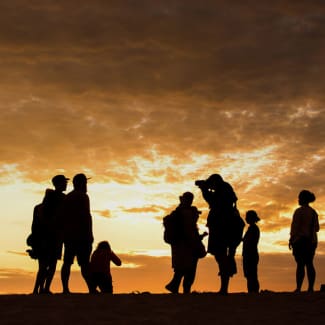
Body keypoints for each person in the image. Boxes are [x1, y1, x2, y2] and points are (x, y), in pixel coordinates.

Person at [196, 174, 243, 295]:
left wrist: (204, 189)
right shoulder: (225, 190)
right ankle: (224, 287)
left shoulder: (222, 192)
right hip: (225, 228)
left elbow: (212, 201)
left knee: (221, 257)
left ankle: (224, 288)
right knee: (222, 258)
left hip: (221, 228)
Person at [31, 174, 69, 294]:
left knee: (43, 265)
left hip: (44, 237)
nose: (66, 184)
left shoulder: (40, 206)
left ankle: (38, 289)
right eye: (64, 182)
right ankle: (44, 288)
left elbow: (34, 225)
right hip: (54, 237)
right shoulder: (63, 199)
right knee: (51, 265)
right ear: (58, 184)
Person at [165, 192, 205, 294]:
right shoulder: (184, 213)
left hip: (183, 245)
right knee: (187, 269)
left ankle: (176, 287)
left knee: (182, 268)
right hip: (186, 245)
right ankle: (181, 289)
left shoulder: (179, 212)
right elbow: (189, 230)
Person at [61, 173, 94, 294]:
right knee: (85, 264)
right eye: (85, 183)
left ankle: (65, 288)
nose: (86, 185)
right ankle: (91, 288)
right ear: (80, 184)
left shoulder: (68, 197)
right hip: (82, 236)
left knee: (67, 263)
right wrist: (90, 234)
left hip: (69, 235)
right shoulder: (83, 197)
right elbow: (86, 217)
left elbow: (63, 217)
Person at [289, 190, 319, 293]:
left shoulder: (299, 211)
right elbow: (317, 228)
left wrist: (292, 239)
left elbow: (295, 228)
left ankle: (299, 288)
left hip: (300, 241)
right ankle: (310, 288)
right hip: (312, 242)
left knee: (300, 265)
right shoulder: (314, 212)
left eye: (300, 198)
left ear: (303, 199)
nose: (298, 200)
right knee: (310, 264)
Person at [242, 210, 260, 293]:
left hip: (250, 254)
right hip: (250, 254)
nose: (246, 219)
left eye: (247, 217)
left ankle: (253, 291)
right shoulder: (252, 229)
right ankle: (252, 291)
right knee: (251, 274)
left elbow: (250, 242)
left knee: (251, 274)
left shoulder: (253, 229)